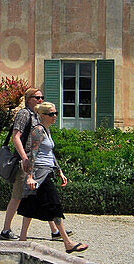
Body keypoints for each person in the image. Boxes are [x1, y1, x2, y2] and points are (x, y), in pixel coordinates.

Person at [17, 101, 87, 253]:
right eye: (51, 114)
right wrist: (30, 176)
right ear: (42, 116)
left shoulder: (46, 130)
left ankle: (22, 239)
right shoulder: (38, 131)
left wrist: (60, 171)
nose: (55, 116)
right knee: (54, 205)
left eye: (55, 113)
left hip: (46, 171)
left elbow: (50, 153)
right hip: (39, 173)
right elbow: (33, 154)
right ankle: (67, 243)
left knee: (31, 203)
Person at [0, 87, 61, 241]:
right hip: (26, 161)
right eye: (36, 97)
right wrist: (24, 158)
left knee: (42, 194)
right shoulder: (24, 113)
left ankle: (55, 230)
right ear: (28, 99)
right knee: (18, 196)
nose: (40, 100)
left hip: (36, 163)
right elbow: (16, 137)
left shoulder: (37, 116)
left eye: (41, 97)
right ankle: (6, 229)